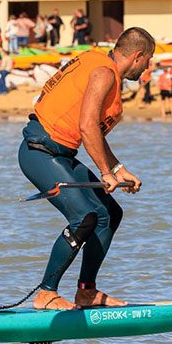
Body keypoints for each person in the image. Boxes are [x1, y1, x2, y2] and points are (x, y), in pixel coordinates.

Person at [18, 27, 153, 310]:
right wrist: (106, 173)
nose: (147, 67)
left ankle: (86, 292)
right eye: (148, 61)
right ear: (138, 56)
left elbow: (91, 132)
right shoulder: (104, 73)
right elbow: (87, 125)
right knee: (85, 217)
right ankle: (46, 293)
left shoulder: (97, 62)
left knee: (110, 214)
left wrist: (117, 168)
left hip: (60, 155)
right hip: (39, 152)